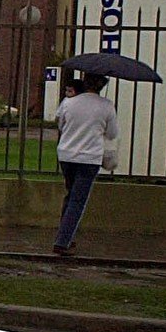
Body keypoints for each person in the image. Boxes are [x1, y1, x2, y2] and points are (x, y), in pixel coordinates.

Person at [52, 73, 118, 256]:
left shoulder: (69, 102)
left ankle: (66, 235)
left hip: (66, 154)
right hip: (89, 157)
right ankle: (62, 241)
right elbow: (112, 134)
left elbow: (60, 125)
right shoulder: (106, 106)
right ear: (101, 85)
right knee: (78, 200)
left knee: (70, 195)